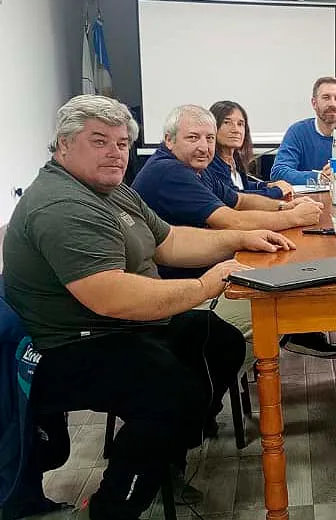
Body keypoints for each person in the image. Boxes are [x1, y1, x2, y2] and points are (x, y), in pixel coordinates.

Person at [2, 95, 296, 520]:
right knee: (172, 392)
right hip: (68, 345)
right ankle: (108, 509)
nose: (115, 152)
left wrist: (240, 239)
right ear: (64, 145)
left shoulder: (111, 189)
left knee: (221, 342)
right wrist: (203, 286)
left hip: (120, 326)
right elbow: (112, 297)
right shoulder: (63, 205)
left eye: (122, 143)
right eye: (99, 141)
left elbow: (170, 241)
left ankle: (162, 458)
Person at [133, 105, 336, 359]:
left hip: (196, 275)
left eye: (209, 138)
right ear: (169, 140)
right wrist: (292, 217)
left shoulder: (195, 169)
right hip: (177, 293)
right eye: (193, 138)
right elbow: (232, 220)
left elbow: (239, 200)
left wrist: (284, 206)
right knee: (278, 300)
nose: (204, 147)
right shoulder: (169, 171)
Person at [207, 100, 294, 200]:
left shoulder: (235, 159)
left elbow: (243, 186)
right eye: (227, 122)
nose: (236, 130)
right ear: (213, 126)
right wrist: (277, 191)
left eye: (240, 124)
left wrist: (269, 185)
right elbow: (234, 196)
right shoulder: (210, 162)